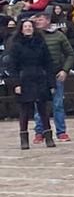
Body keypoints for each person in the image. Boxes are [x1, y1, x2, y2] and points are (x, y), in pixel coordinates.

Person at [5, 18, 55, 150]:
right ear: (21, 29)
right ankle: (24, 139)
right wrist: (16, 84)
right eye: (25, 26)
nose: (28, 28)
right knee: (24, 111)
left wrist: (51, 83)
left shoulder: (40, 43)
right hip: (24, 79)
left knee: (43, 110)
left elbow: (48, 63)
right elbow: (12, 66)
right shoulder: (16, 45)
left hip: (39, 77)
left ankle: (48, 136)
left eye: (30, 26)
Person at [34, 4, 73, 144]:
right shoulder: (34, 36)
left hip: (56, 73)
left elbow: (70, 54)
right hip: (38, 75)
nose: (38, 22)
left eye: (41, 19)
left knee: (58, 104)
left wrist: (65, 70)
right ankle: (40, 132)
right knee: (39, 105)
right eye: (37, 20)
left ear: (48, 20)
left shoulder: (59, 35)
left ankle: (61, 132)